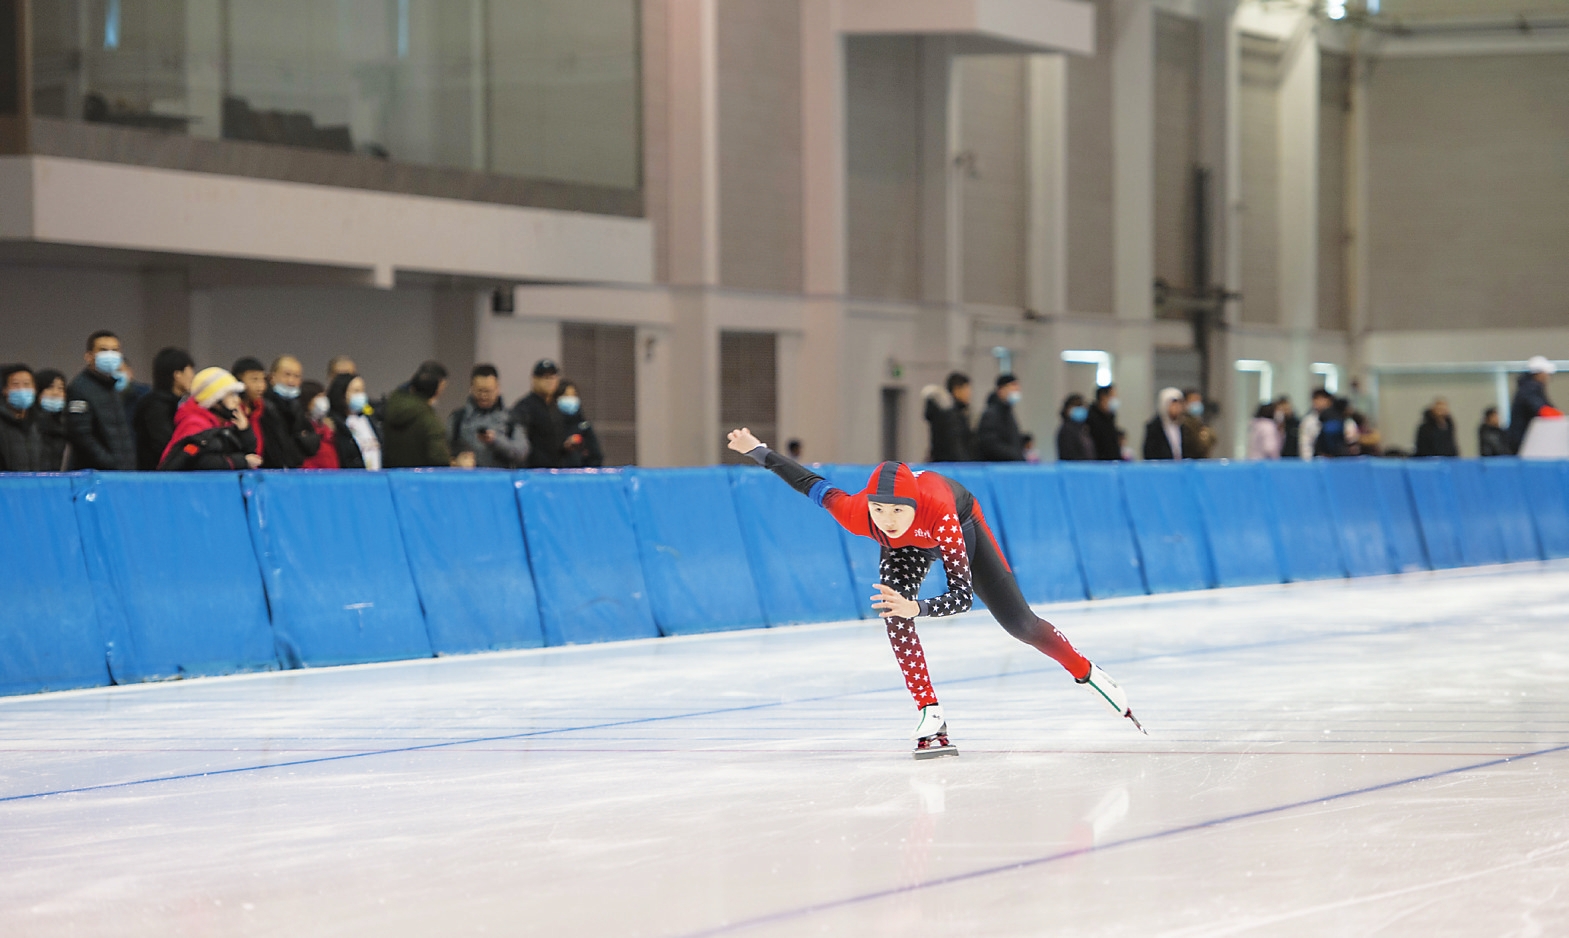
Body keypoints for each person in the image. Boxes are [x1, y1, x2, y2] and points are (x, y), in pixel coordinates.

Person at [725, 426, 1143, 758]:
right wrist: (758, 450)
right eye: (880, 510)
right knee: (893, 611)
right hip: (906, 549)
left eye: (897, 510)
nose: (888, 520)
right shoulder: (856, 513)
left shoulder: (939, 513)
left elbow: (962, 596)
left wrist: (919, 607)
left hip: (961, 522)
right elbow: (809, 483)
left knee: (1021, 625)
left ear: (913, 505)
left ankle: (1087, 672)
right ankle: (930, 712)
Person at [158, 367, 264, 471]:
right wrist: (241, 461)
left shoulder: (226, 424)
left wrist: (245, 431)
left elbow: (252, 457)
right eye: (231, 395)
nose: (237, 401)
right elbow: (197, 462)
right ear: (214, 401)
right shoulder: (194, 424)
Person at [66, 330, 137, 470]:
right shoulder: (80, 388)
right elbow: (81, 436)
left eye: (115, 350)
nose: (110, 355)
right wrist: (111, 463)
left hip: (122, 471)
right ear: (89, 356)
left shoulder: (112, 388)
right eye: (103, 350)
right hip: (97, 473)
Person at [448, 364, 529, 469]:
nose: (483, 396)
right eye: (479, 390)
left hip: (500, 477)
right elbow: (444, 450)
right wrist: (457, 459)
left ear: (497, 389)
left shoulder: (511, 420)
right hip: (466, 476)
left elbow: (522, 452)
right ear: (471, 389)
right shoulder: (458, 419)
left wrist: (496, 441)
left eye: (488, 391)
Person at [383, 361, 459, 468]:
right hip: (421, 476)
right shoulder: (429, 420)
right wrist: (456, 464)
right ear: (437, 390)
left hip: (392, 474)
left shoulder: (392, 404)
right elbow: (439, 459)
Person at [253, 355, 321, 469]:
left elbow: (312, 444)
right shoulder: (263, 407)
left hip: (293, 469)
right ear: (272, 377)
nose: (291, 381)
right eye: (286, 375)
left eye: (296, 376)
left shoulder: (298, 407)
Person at [132, 347, 195, 471]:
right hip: (155, 474)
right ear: (177, 375)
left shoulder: (174, 403)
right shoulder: (156, 406)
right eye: (190, 372)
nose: (193, 377)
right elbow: (165, 445)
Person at [512, 358, 568, 469]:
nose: (549, 381)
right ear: (534, 379)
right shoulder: (525, 407)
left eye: (553, 377)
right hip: (533, 471)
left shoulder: (558, 407)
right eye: (545, 377)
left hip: (557, 470)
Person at [327, 373, 382, 470]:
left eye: (362, 390)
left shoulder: (369, 419)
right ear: (342, 394)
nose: (361, 395)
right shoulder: (334, 423)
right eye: (356, 391)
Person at [0, 364, 47, 472]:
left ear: (34, 389)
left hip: (35, 481)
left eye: (27, 384)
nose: (22, 389)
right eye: (15, 384)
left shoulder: (39, 422)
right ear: (5, 389)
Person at [921, 372, 974, 463]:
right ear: (956, 390)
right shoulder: (950, 416)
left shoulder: (955, 413)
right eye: (966, 389)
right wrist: (965, 464)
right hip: (952, 465)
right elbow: (954, 445)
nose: (969, 394)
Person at [1509, 356, 1556, 452]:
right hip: (1525, 441)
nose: (1548, 377)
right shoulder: (1530, 389)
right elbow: (1541, 409)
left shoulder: (1527, 388)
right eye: (1546, 374)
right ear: (1539, 374)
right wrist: (1559, 417)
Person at [974, 374, 1025, 462]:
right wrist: (1015, 455)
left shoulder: (1008, 413)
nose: (1016, 391)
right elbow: (990, 444)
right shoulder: (991, 415)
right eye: (1012, 387)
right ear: (1001, 390)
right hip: (997, 466)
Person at [555, 379, 605, 468]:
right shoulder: (552, 424)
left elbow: (596, 456)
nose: (570, 399)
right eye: (566, 395)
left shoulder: (584, 426)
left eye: (573, 395)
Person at [231, 357, 269, 462]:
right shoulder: (232, 411)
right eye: (254, 379)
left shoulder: (262, 409)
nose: (261, 386)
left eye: (263, 379)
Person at [1142, 387, 1194, 461]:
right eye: (1173, 405)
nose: (1177, 408)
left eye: (1179, 405)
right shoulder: (1154, 427)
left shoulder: (1184, 426)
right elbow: (1149, 452)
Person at [34, 369, 70, 471]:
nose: (55, 393)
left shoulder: (67, 423)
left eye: (60, 388)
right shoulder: (29, 423)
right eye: (50, 387)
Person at [299, 380, 339, 469]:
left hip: (332, 473)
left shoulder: (328, 428)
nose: (323, 401)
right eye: (318, 397)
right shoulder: (303, 428)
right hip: (312, 474)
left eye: (323, 396)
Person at [1086, 385, 1122, 461]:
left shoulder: (1110, 418)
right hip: (1098, 463)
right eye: (1113, 397)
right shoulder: (1091, 419)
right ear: (1103, 397)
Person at [1055, 394, 1094, 462]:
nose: (1081, 408)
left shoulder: (1082, 429)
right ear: (1068, 409)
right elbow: (1069, 455)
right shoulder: (1067, 431)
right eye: (1077, 406)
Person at [1181, 389, 1215, 459]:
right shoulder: (1182, 423)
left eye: (1199, 400)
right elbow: (1196, 445)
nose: (1197, 404)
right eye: (1194, 400)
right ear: (1184, 402)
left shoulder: (1199, 422)